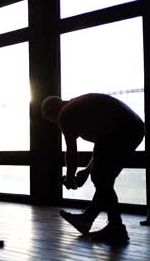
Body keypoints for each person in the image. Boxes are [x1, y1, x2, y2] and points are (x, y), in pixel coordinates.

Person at [42, 93, 145, 243]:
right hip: (133, 128)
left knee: (101, 178)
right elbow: (101, 149)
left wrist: (70, 177)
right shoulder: (81, 108)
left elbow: (71, 152)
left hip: (121, 128)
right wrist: (86, 170)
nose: (56, 124)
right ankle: (89, 219)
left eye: (51, 121)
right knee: (104, 179)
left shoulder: (65, 114)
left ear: (51, 113)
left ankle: (115, 228)